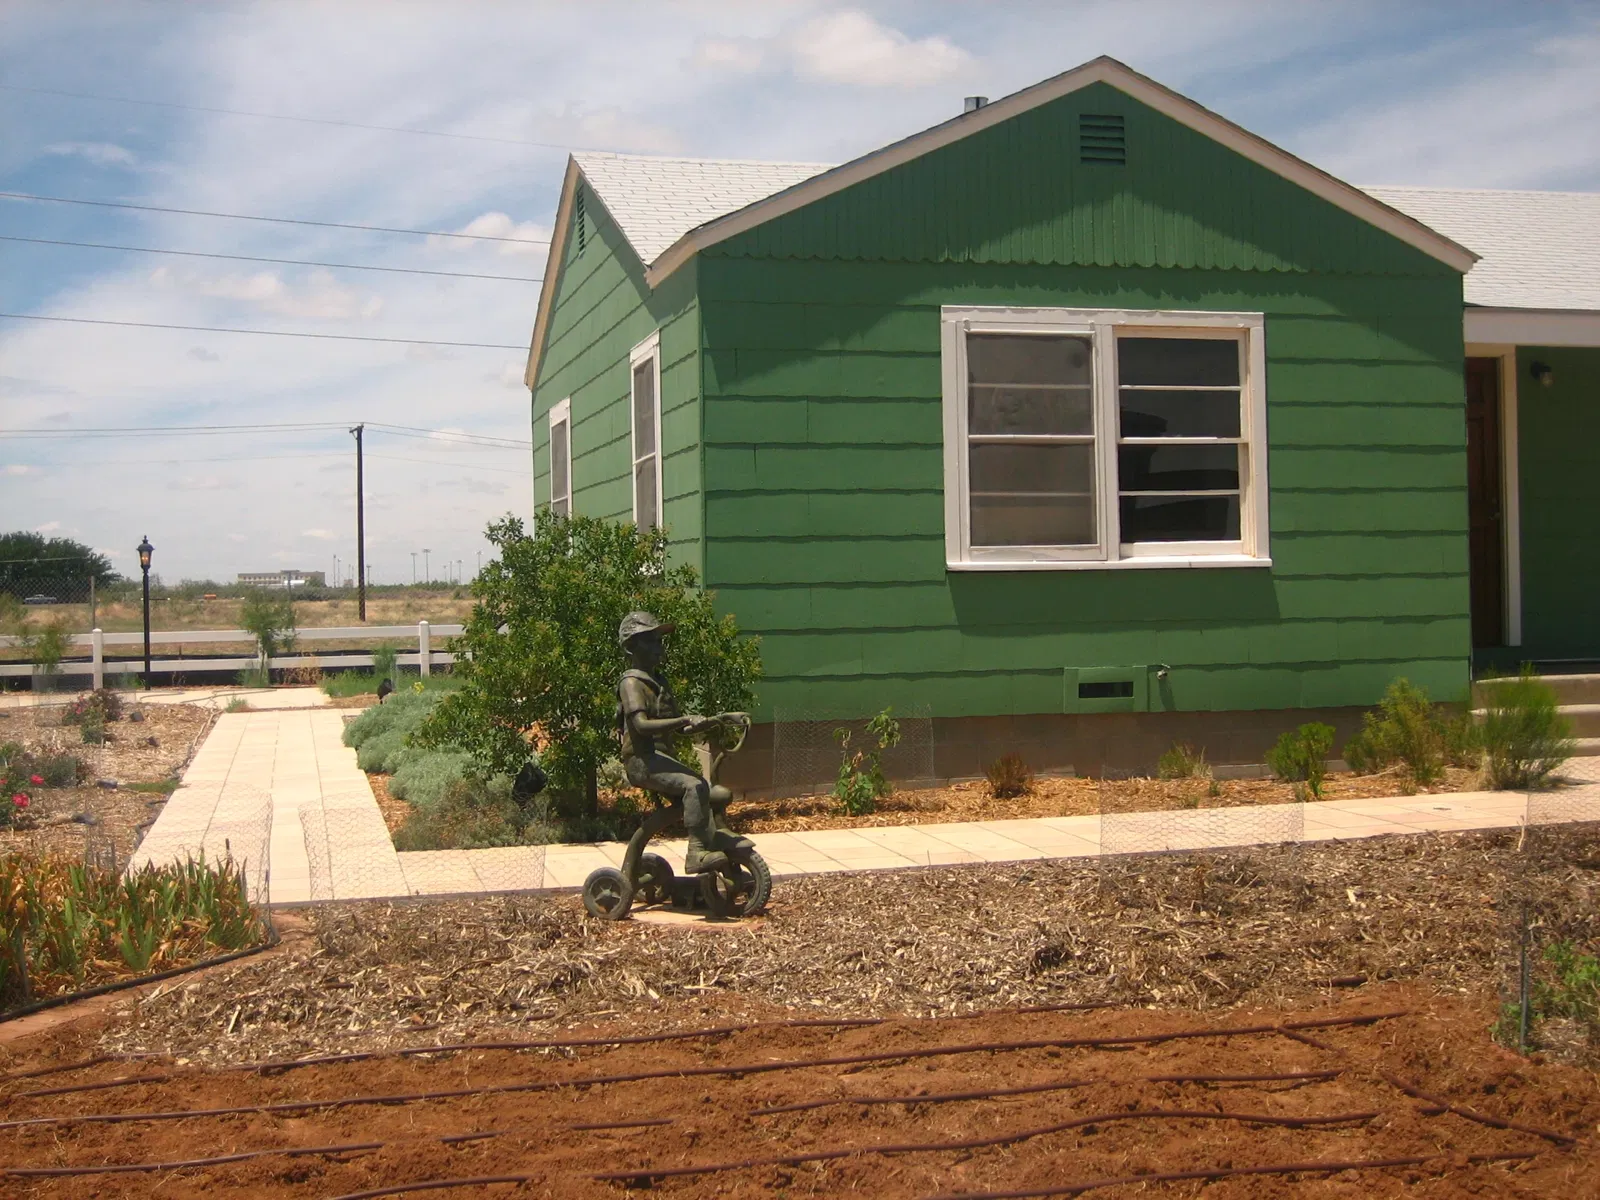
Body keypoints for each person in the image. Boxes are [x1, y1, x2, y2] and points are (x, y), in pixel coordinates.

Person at [616, 611, 746, 875]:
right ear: (631, 647)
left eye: (658, 640)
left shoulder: (659, 682)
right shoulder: (631, 684)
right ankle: (696, 854)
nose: (658, 647)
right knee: (694, 786)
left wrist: (719, 720)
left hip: (660, 760)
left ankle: (715, 840)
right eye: (649, 641)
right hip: (642, 762)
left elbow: (682, 727)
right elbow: (641, 725)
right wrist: (684, 719)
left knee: (717, 794)